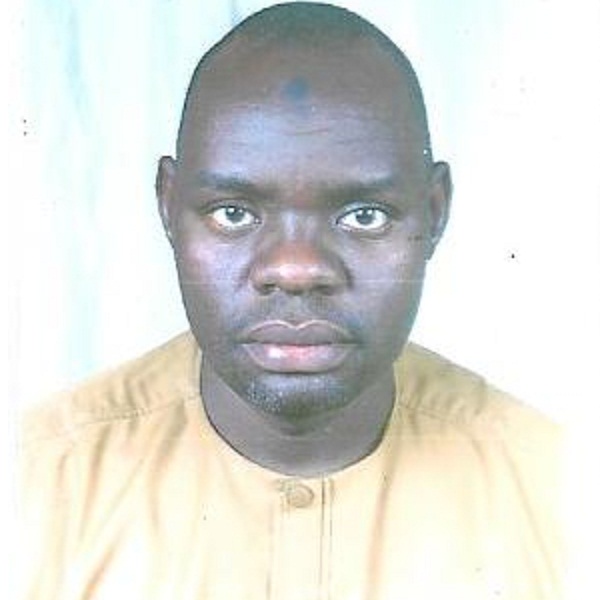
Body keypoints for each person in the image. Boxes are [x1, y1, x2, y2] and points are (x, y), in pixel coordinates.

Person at [20, 3, 563, 599]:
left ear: (434, 214)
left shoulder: (558, 493)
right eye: (233, 214)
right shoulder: (33, 487)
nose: (297, 270)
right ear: (168, 208)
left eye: (364, 215)